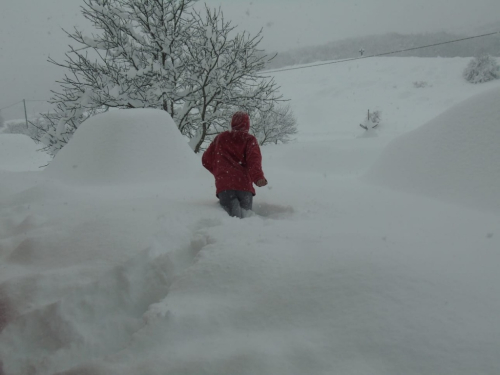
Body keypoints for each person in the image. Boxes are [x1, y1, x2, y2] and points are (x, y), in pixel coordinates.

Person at [202, 111, 268, 218]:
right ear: (247, 124)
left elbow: (206, 160)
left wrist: (220, 173)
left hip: (225, 187)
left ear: (232, 123)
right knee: (247, 219)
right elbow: (254, 161)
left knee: (231, 222)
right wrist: (258, 177)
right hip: (244, 187)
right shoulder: (249, 140)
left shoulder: (220, 138)